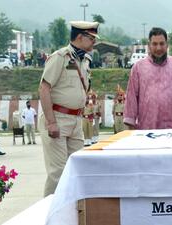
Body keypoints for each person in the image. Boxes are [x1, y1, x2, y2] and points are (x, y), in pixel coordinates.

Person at [38, 21, 99, 196]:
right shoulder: (60, 57)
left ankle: (73, 213)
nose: (94, 42)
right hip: (57, 117)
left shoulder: (85, 60)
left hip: (76, 120)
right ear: (80, 37)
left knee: (77, 169)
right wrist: (51, 123)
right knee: (58, 173)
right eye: (92, 38)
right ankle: (50, 216)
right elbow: (44, 88)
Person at [124, 27, 172, 129]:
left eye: (162, 44)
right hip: (148, 130)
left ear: (167, 45)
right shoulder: (138, 68)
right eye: (154, 44)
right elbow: (131, 98)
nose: (158, 48)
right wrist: (131, 127)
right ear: (149, 45)